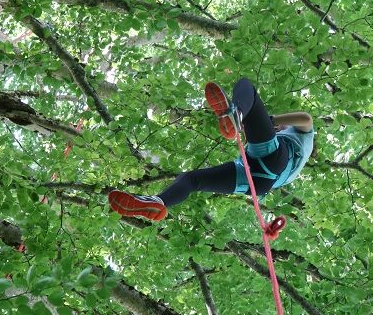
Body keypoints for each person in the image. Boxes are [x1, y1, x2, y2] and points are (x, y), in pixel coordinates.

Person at [108, 78, 314, 221]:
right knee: (192, 180)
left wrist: (272, 120)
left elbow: (306, 119)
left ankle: (237, 113)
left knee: (246, 87)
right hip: (257, 180)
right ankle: (158, 201)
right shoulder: (282, 151)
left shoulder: (301, 138)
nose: (276, 129)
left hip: (271, 162)